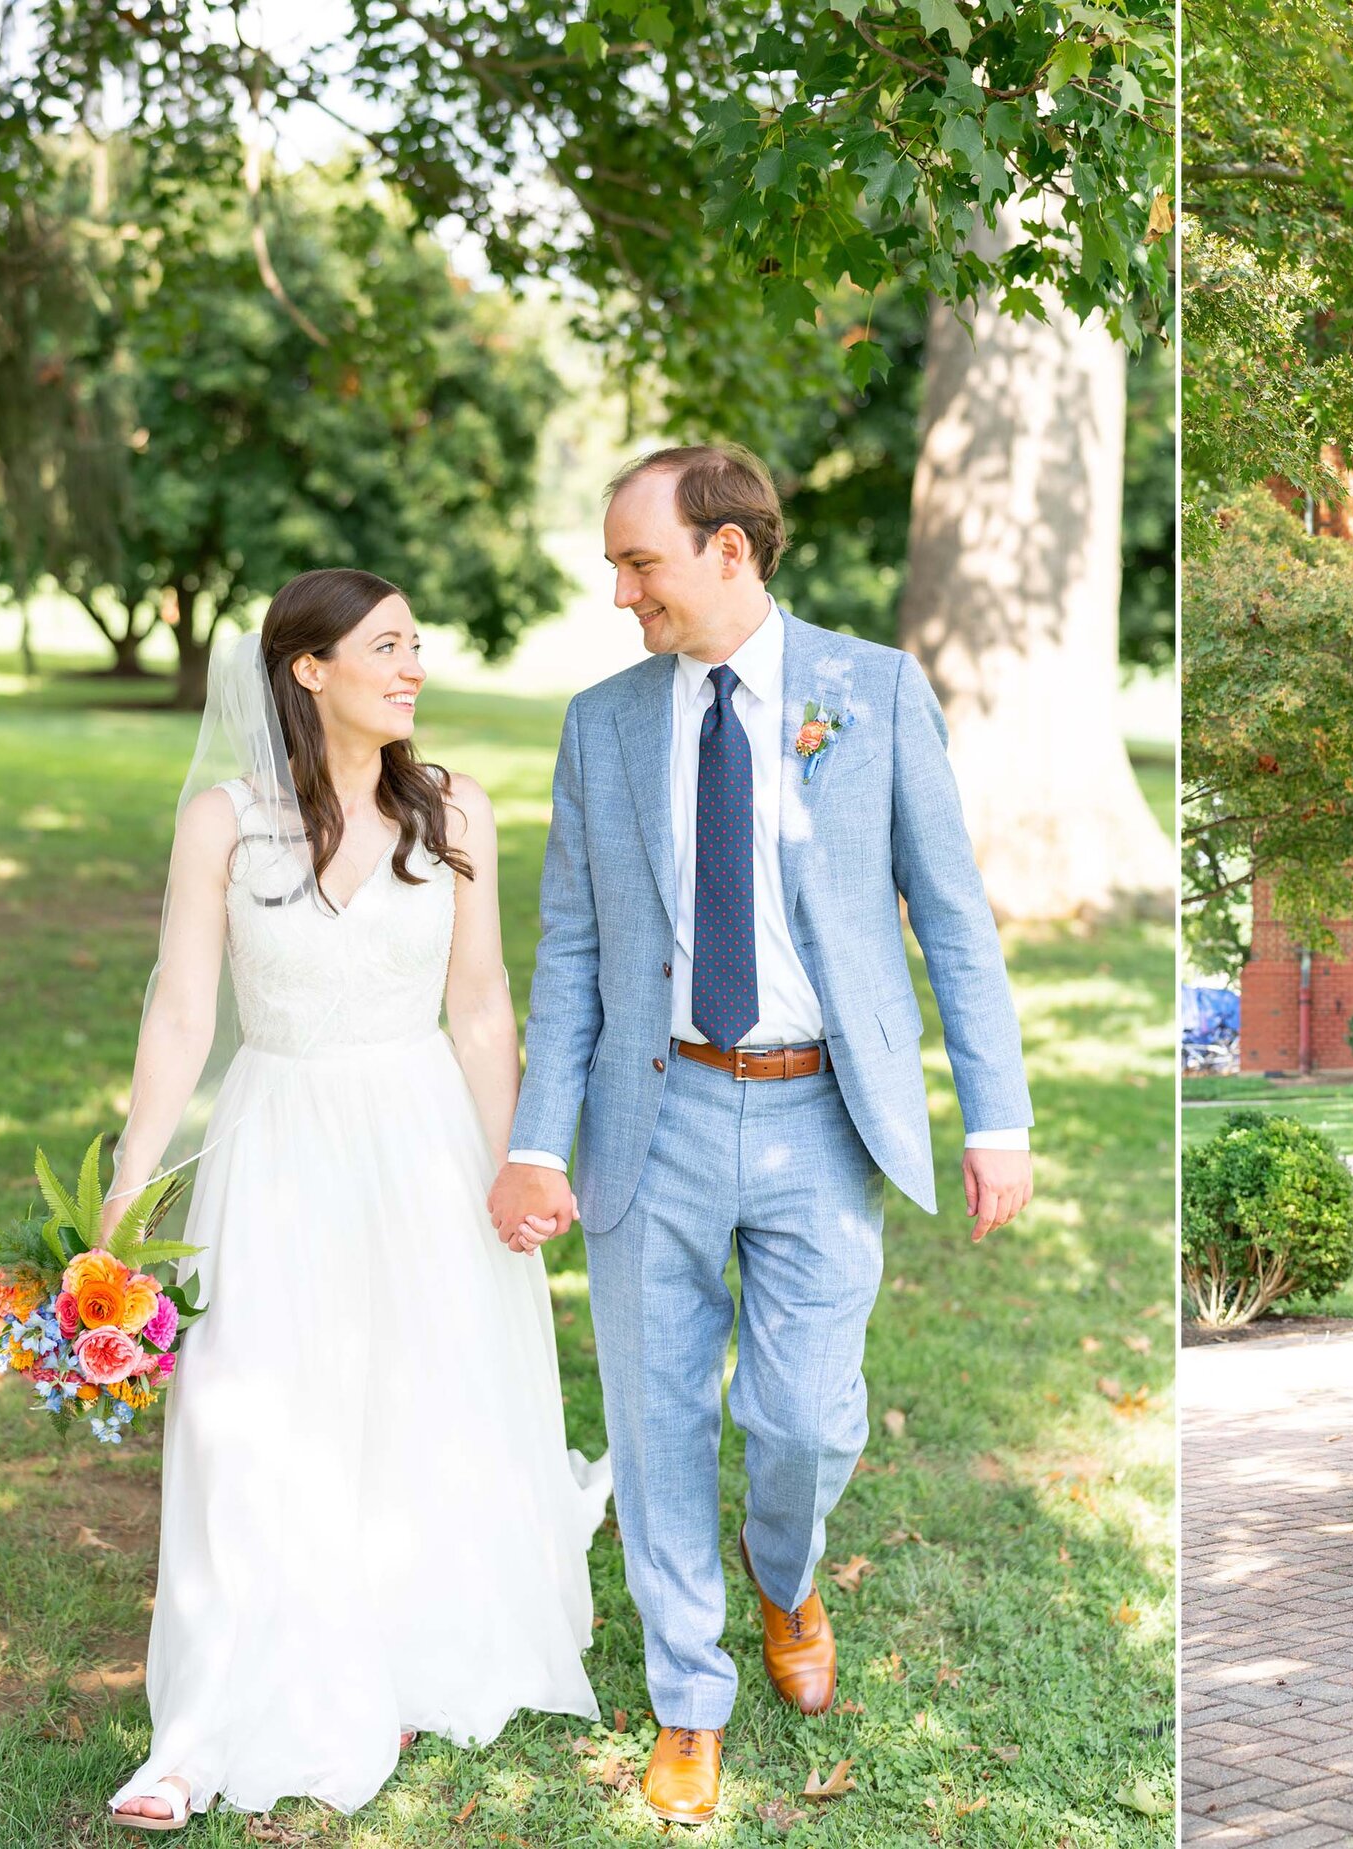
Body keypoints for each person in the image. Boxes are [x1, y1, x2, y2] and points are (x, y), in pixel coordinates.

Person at [485, 444, 1035, 1827]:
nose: (621, 593)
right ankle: (688, 1698)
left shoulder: (872, 692)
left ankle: (783, 1570)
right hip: (649, 1109)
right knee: (658, 1420)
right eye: (616, 566)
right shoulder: (601, 724)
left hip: (816, 1113)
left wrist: (1002, 1113)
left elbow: (952, 916)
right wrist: (539, 1138)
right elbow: (571, 950)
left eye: (640, 562)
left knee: (800, 1416)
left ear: (730, 551)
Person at [104, 571, 609, 1830]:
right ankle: (198, 1727)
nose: (414, 665)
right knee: (240, 1417)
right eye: (387, 645)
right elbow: (180, 1011)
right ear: (309, 669)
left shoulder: (459, 816)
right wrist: (127, 1189)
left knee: (413, 1394)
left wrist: (521, 1160)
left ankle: (391, 1643)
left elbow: (482, 1006)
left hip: (421, 1136)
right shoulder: (226, 822)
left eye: (418, 643)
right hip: (275, 1139)